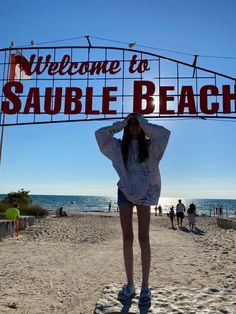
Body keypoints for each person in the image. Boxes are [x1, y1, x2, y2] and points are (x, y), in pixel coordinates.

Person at [95, 112, 170, 306]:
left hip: (145, 194)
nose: (135, 126)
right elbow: (100, 135)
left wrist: (143, 122)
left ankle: (145, 285)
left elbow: (164, 133)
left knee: (143, 237)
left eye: (137, 123)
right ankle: (130, 284)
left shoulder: (151, 147)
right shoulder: (119, 148)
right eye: (132, 123)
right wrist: (121, 123)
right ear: (128, 126)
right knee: (127, 237)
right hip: (124, 193)